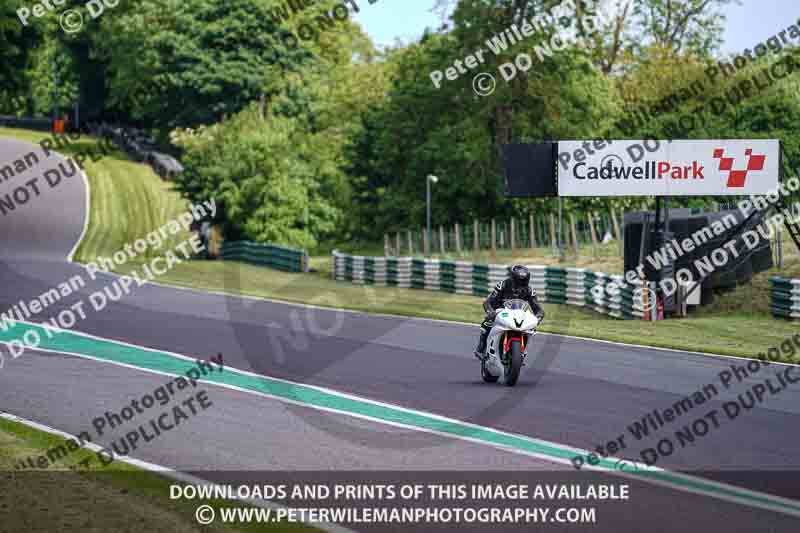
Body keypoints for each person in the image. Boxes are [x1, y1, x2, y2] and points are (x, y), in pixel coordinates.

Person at [474, 265, 545, 360]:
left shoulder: (529, 290)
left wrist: (538, 318)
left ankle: (522, 352)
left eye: (523, 281)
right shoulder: (502, 285)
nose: (520, 284)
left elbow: (538, 309)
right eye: (518, 281)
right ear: (512, 278)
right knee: (487, 323)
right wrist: (490, 312)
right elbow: (487, 302)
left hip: (519, 314)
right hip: (501, 311)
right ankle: (480, 348)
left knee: (531, 329)